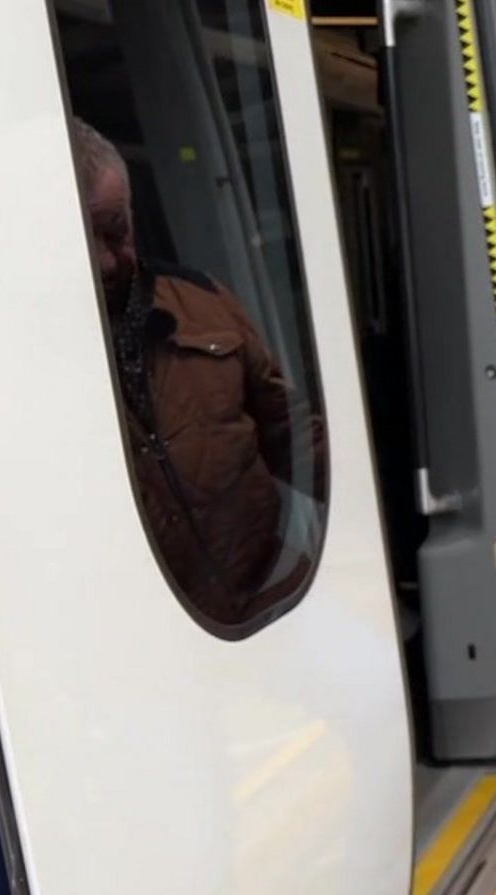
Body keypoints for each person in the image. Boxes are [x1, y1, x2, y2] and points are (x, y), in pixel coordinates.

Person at [72, 117, 325, 628]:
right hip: (160, 642)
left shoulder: (202, 300)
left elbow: (294, 434)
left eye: (116, 229)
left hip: (279, 596)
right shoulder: (23, 360)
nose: (105, 260)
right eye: (83, 237)